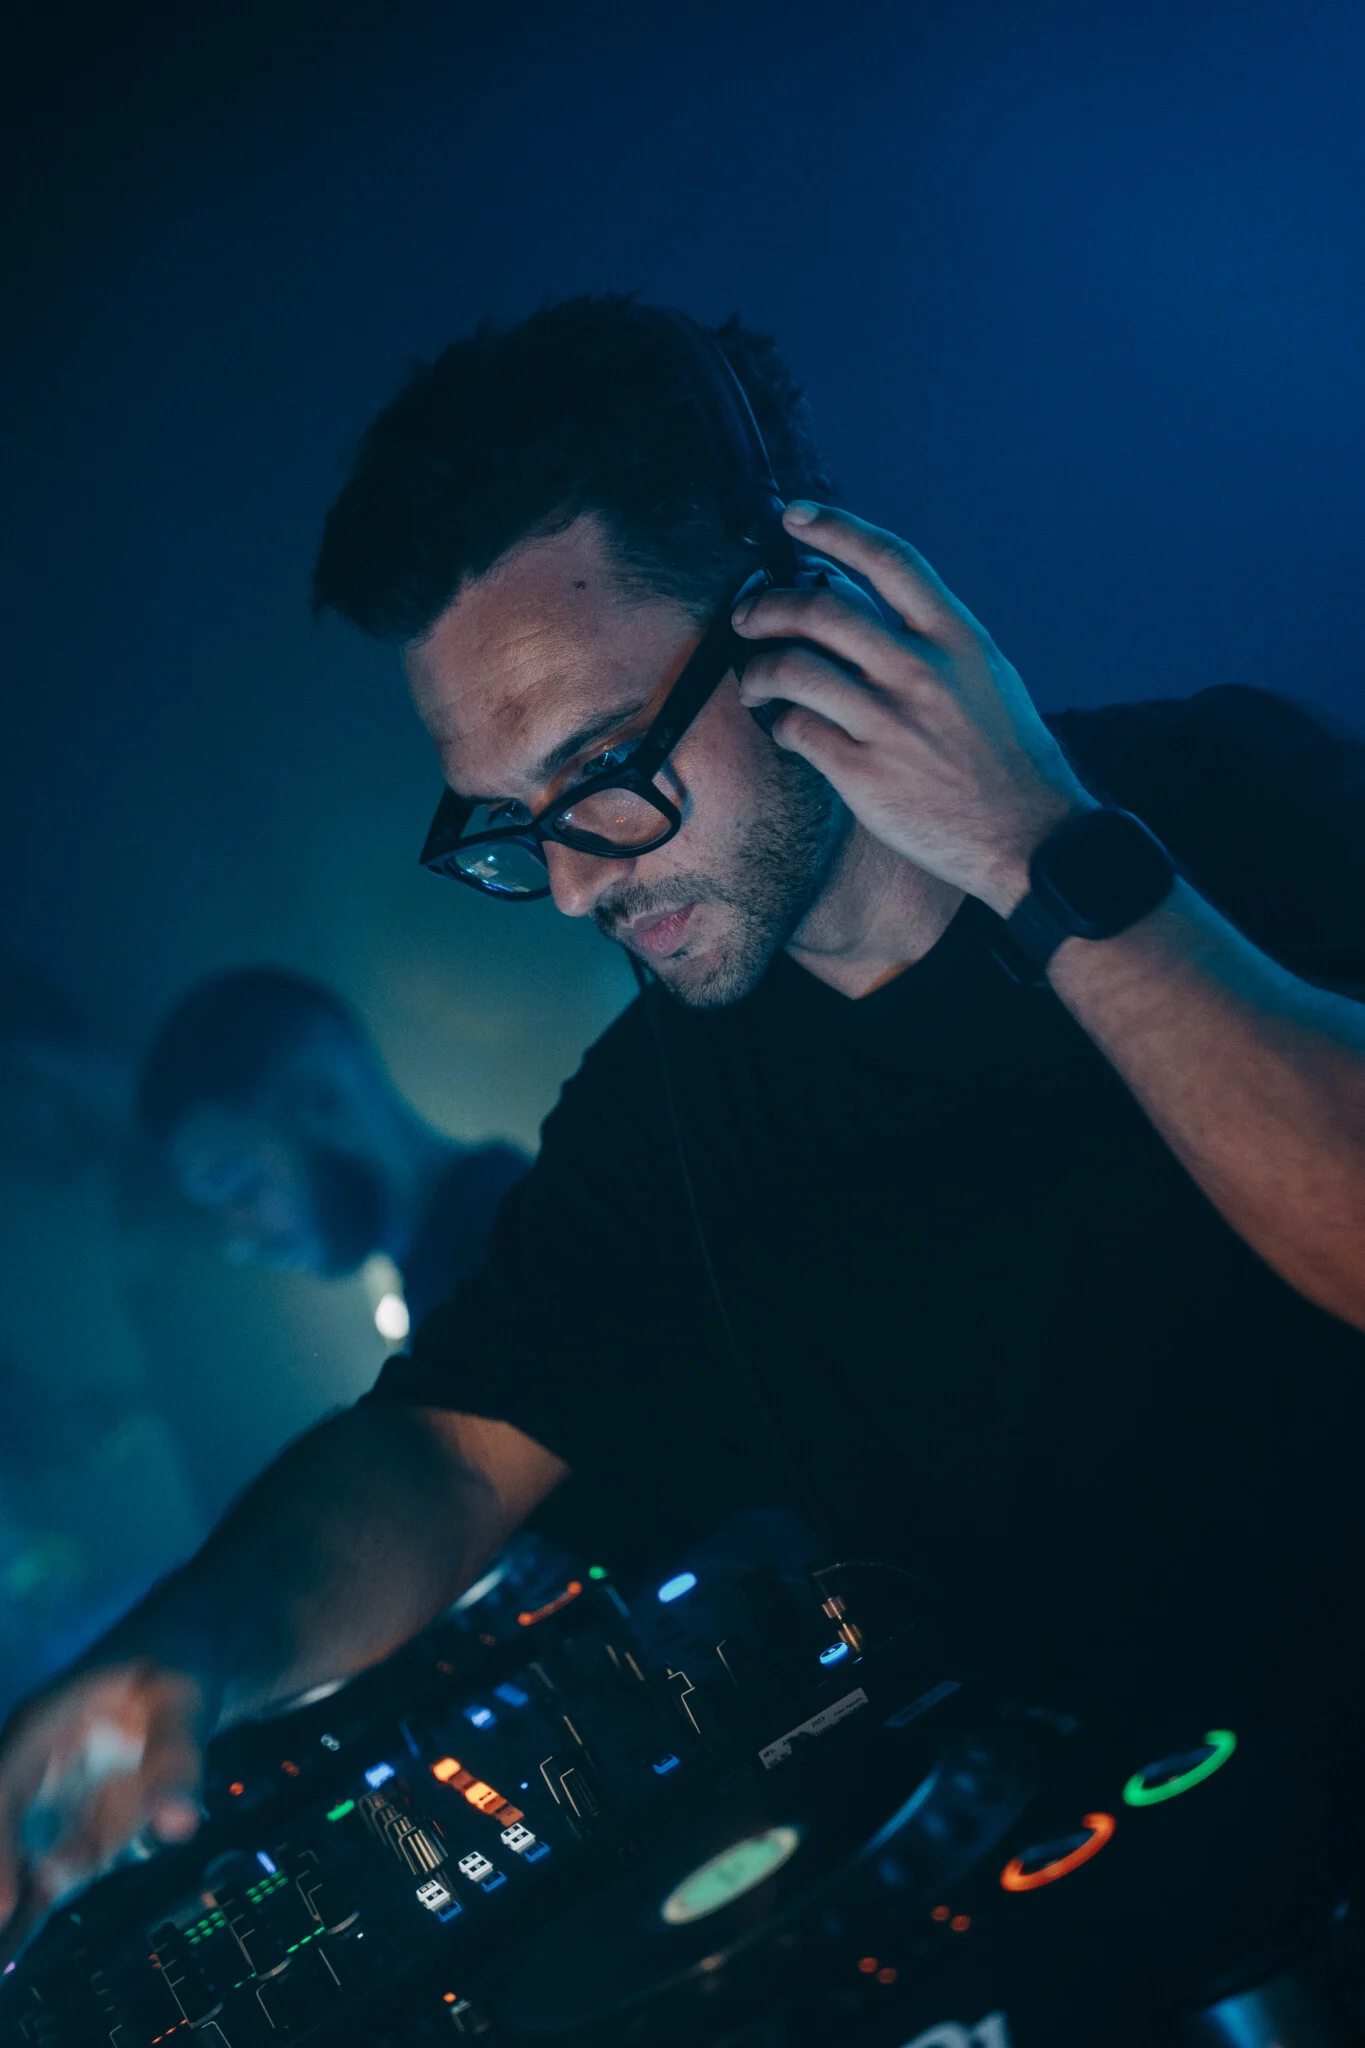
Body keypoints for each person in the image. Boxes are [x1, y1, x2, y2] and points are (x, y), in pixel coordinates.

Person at [4, 295, 1365, 1956]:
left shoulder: (1218, 797)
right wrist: (195, 1650)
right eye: (510, 821)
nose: (574, 880)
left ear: (806, 619)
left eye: (601, 769)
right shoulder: (654, 1118)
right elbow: (443, 1451)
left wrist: (1040, 854)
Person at [138, 968, 528, 1329]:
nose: (238, 1242)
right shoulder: (464, 1274)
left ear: (325, 1103)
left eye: (242, 1188)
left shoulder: (518, 1256)